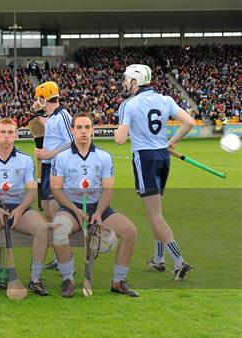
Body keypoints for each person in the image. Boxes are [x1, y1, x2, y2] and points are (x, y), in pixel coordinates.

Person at [114, 64, 195, 281]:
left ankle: (178, 262)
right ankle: (158, 259)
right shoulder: (165, 99)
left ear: (134, 82)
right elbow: (189, 122)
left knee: (154, 214)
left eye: (126, 79)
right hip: (163, 157)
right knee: (156, 212)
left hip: (145, 158)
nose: (124, 83)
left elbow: (120, 139)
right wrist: (172, 141)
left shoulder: (129, 105)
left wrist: (127, 129)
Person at [51, 112, 138, 297]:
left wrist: (98, 214)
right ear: (72, 130)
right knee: (58, 230)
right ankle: (68, 280)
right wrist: (75, 210)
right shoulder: (61, 157)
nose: (83, 131)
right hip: (71, 207)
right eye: (79, 127)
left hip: (98, 208)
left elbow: (107, 189)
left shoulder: (104, 157)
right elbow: (56, 189)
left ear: (93, 130)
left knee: (130, 231)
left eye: (87, 127)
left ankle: (118, 281)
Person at [0, 118, 49, 297]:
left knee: (42, 228)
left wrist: (20, 209)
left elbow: (31, 192)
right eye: (3, 132)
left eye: (10, 132)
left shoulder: (25, 159)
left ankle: (35, 279)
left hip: (19, 207)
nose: (6, 136)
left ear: (16, 135)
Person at [32, 81, 74, 270]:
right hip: (48, 168)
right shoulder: (53, 116)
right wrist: (36, 113)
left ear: (43, 98)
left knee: (57, 213)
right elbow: (46, 125)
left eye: (38, 99)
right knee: (49, 210)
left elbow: (71, 142)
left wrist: (48, 154)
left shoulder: (63, 115)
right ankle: (61, 257)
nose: (37, 102)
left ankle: (67, 260)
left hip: (57, 168)